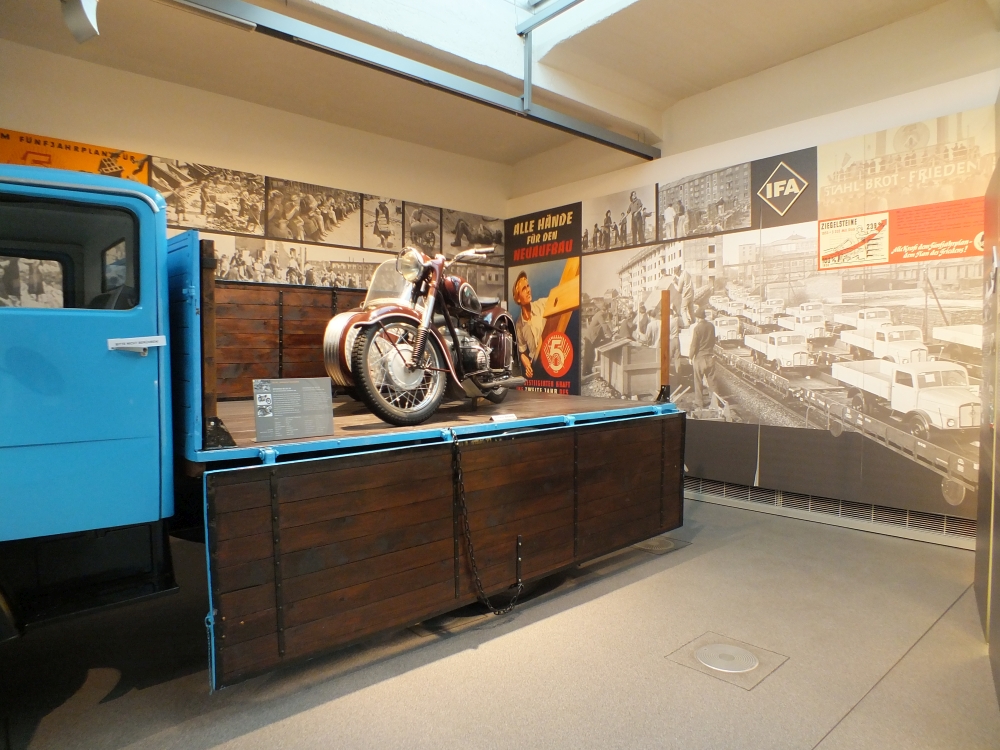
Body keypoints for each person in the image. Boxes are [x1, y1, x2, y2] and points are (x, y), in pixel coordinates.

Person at [512, 271, 547, 379]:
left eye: (528, 286)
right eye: (524, 289)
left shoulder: (542, 305)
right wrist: (528, 366)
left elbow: (559, 298)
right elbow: (522, 352)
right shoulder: (519, 325)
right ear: (518, 298)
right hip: (537, 369)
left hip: (551, 361)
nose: (528, 290)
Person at [688, 308, 718, 407]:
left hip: (700, 358)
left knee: (698, 381)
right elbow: (713, 341)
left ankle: (699, 402)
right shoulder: (711, 326)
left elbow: (694, 345)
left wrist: (690, 357)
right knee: (712, 381)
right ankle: (715, 402)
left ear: (697, 317)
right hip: (710, 356)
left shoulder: (697, 328)